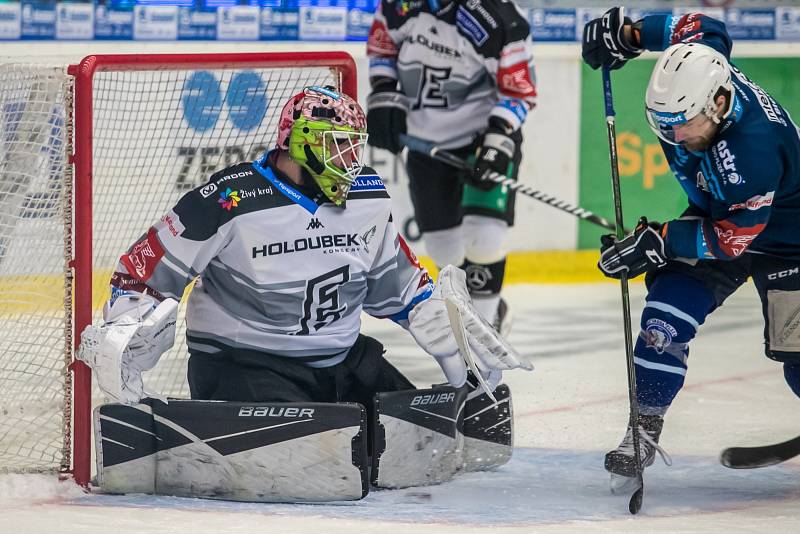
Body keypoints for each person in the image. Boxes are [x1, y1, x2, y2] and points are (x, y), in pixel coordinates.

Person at [78, 84, 529, 425]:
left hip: (341, 361)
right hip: (246, 364)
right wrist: (129, 325)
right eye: (338, 143)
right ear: (302, 141)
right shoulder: (231, 198)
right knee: (324, 445)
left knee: (426, 428)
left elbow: (398, 283)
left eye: (355, 144)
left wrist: (443, 329)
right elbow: (144, 269)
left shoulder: (367, 195)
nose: (350, 158)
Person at [582, 7, 800, 487]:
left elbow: (731, 239)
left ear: (720, 104)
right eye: (665, 125)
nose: (675, 137)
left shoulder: (753, 151)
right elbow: (703, 27)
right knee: (665, 314)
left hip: (789, 241)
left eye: (684, 125)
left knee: (798, 360)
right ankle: (643, 427)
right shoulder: (705, 71)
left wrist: (660, 241)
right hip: (718, 215)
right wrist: (630, 35)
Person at [365, 0, 537, 335]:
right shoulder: (397, 6)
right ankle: (481, 312)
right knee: (443, 251)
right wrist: (384, 91)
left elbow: (519, 93)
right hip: (425, 145)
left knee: (485, 239)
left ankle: (483, 335)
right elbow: (381, 48)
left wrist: (497, 139)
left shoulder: (499, 20)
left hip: (482, 140)